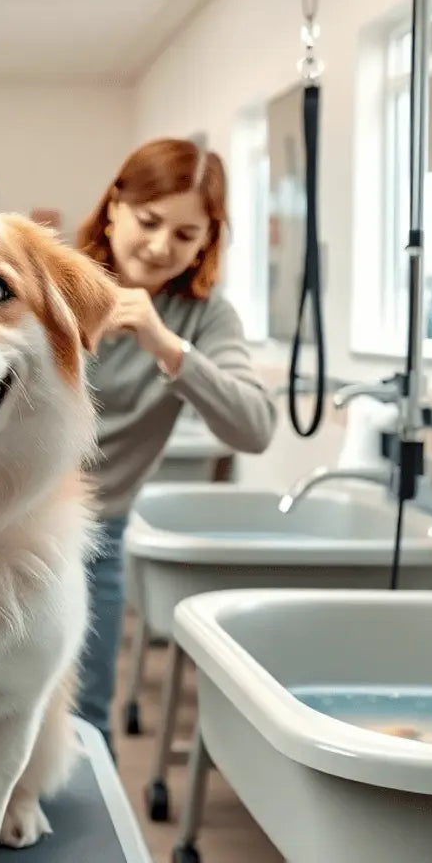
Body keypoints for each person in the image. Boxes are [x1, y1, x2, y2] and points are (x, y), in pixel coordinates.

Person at [74, 137, 276, 753]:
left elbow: (254, 428)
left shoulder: (205, 317)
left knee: (84, 715)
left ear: (207, 242)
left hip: (97, 533)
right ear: (114, 207)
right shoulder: (46, 281)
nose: (162, 247)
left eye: (186, 235)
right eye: (149, 221)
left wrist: (165, 344)